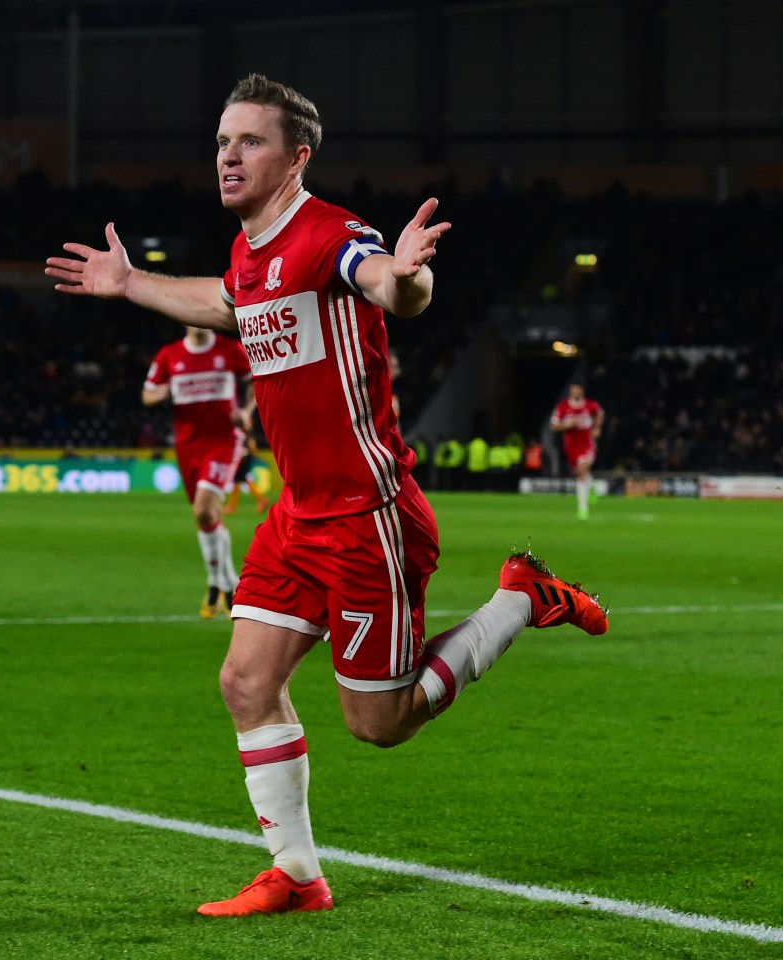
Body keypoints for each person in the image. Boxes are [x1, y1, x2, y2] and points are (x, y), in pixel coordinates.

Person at [46, 73, 609, 918]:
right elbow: (230, 303)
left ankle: (519, 600)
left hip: (366, 518)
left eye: (250, 142)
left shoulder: (327, 232)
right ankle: (298, 876)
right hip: (297, 515)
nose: (229, 157)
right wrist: (130, 286)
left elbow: (386, 283)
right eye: (223, 142)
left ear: (296, 156)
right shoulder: (251, 248)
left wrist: (410, 277)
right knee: (245, 681)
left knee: (378, 723)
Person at [142, 326, 255, 618]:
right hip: (188, 446)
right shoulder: (170, 355)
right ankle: (228, 584)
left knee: (204, 510)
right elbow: (147, 395)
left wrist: (246, 411)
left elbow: (256, 378)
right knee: (208, 516)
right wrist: (161, 394)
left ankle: (219, 583)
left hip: (224, 441)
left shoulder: (229, 350)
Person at [550, 380, 605, 520]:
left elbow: (600, 413)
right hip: (571, 448)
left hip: (587, 445)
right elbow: (554, 426)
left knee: (582, 471)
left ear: (582, 391)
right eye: (573, 389)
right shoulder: (563, 408)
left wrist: (597, 427)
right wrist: (567, 426)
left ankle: (582, 508)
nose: (575, 391)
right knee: (581, 473)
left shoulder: (589, 405)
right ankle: (591, 486)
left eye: (577, 389)